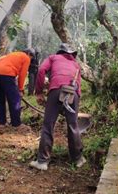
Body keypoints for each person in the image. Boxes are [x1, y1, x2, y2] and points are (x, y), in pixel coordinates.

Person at [29, 43, 85, 171]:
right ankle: (77, 159)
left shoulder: (53, 58)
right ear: (72, 54)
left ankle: (42, 161)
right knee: (73, 124)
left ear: (60, 52)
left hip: (56, 91)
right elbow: (79, 87)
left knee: (48, 124)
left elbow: (42, 70)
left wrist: (38, 92)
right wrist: (75, 103)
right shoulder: (76, 64)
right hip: (73, 93)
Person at [0, 48, 35, 128]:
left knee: (0, 99)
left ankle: (1, 123)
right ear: (29, 54)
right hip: (6, 74)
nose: (30, 59)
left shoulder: (13, 54)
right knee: (15, 99)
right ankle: (16, 124)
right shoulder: (26, 58)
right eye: (31, 57)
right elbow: (22, 75)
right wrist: (20, 89)